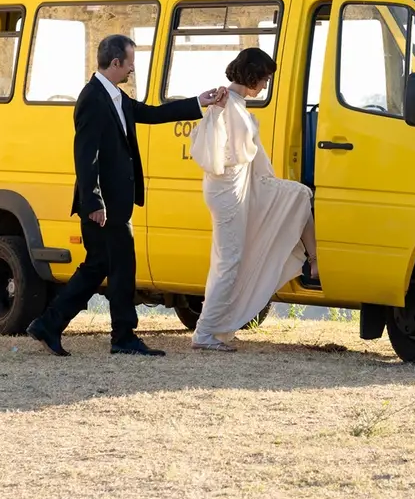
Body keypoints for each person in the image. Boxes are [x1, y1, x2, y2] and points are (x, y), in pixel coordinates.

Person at [27, 34, 227, 358]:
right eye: (130, 63)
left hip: (116, 202)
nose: (133, 69)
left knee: (100, 266)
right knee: (118, 267)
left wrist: (197, 102)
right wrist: (94, 202)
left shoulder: (116, 96)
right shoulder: (93, 98)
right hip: (104, 205)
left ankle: (51, 325)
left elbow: (152, 114)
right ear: (116, 62)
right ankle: (120, 336)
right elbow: (86, 155)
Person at [187, 47, 320, 352]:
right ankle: (205, 333)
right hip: (229, 191)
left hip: (238, 187)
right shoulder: (226, 104)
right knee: (229, 261)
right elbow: (220, 151)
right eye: (264, 78)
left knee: (298, 195)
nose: (265, 84)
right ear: (253, 76)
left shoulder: (234, 103)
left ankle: (314, 260)